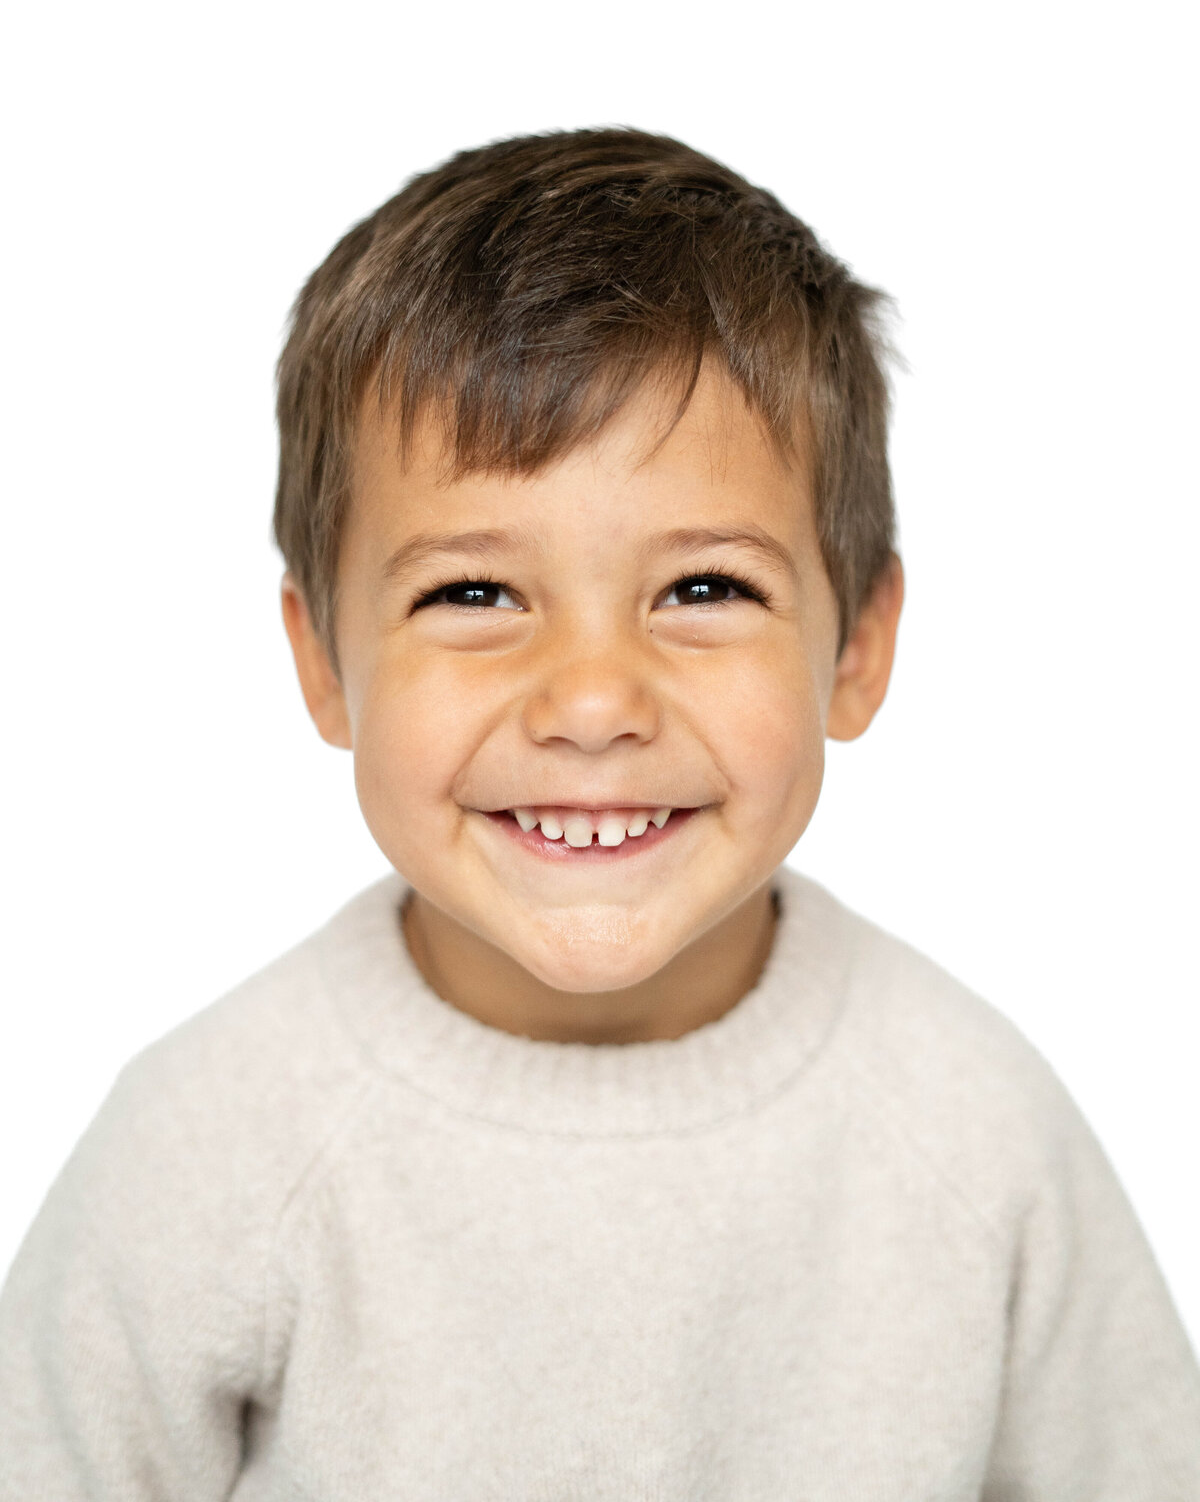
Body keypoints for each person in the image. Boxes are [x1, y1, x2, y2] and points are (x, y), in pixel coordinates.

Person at [1, 128, 1197, 1499]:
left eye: (702, 590)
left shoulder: (972, 1129)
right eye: (472, 593)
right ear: (325, 663)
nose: (588, 701)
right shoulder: (212, 1147)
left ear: (857, 646)